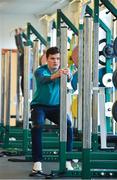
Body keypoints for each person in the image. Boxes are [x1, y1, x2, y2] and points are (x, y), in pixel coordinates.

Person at [30, 46, 74, 176]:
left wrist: (69, 75)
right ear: (47, 59)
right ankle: (37, 163)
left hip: (56, 107)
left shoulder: (64, 71)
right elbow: (43, 80)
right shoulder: (40, 71)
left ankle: (67, 160)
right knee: (37, 126)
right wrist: (58, 74)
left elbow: (71, 81)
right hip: (39, 106)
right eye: (53, 58)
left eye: (58, 58)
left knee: (68, 125)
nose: (56, 61)